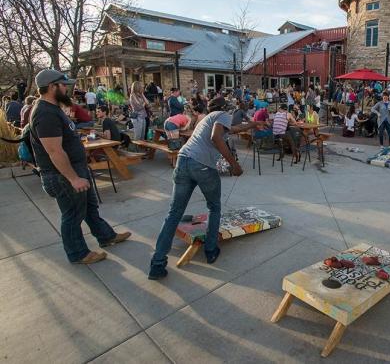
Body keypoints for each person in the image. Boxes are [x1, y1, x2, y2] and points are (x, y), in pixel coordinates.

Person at [148, 97, 266, 279]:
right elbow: (216, 137)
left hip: (183, 161)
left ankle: (157, 263)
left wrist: (254, 124)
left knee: (174, 213)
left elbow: (234, 129)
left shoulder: (207, 119)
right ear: (225, 108)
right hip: (202, 166)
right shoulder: (222, 114)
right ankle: (210, 250)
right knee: (214, 207)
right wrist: (234, 164)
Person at [29, 69, 130, 264]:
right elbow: (54, 151)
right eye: (63, 85)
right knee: (73, 215)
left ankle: (106, 236)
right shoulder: (45, 113)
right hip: (63, 176)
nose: (67, 88)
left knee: (90, 207)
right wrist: (73, 178)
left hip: (76, 170)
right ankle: (78, 253)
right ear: (52, 87)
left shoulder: (53, 107)